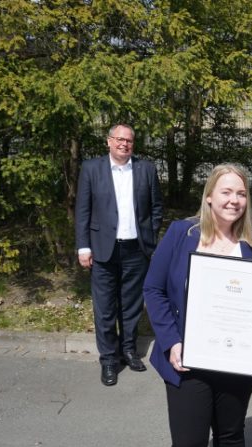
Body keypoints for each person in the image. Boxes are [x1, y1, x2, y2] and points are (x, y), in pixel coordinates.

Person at [143, 163, 252, 447]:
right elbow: (153, 290)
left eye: (241, 193)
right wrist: (171, 342)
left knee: (231, 437)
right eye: (226, 192)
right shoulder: (181, 233)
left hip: (237, 362)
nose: (233, 200)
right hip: (187, 360)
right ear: (209, 196)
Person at [75, 123, 163, 386]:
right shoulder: (92, 169)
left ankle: (128, 350)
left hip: (136, 249)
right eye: (119, 139)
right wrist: (83, 246)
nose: (124, 144)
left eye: (129, 141)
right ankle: (109, 360)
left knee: (131, 305)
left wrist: (150, 236)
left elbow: (156, 207)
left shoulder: (146, 169)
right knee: (104, 308)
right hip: (103, 249)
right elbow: (83, 210)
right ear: (109, 141)